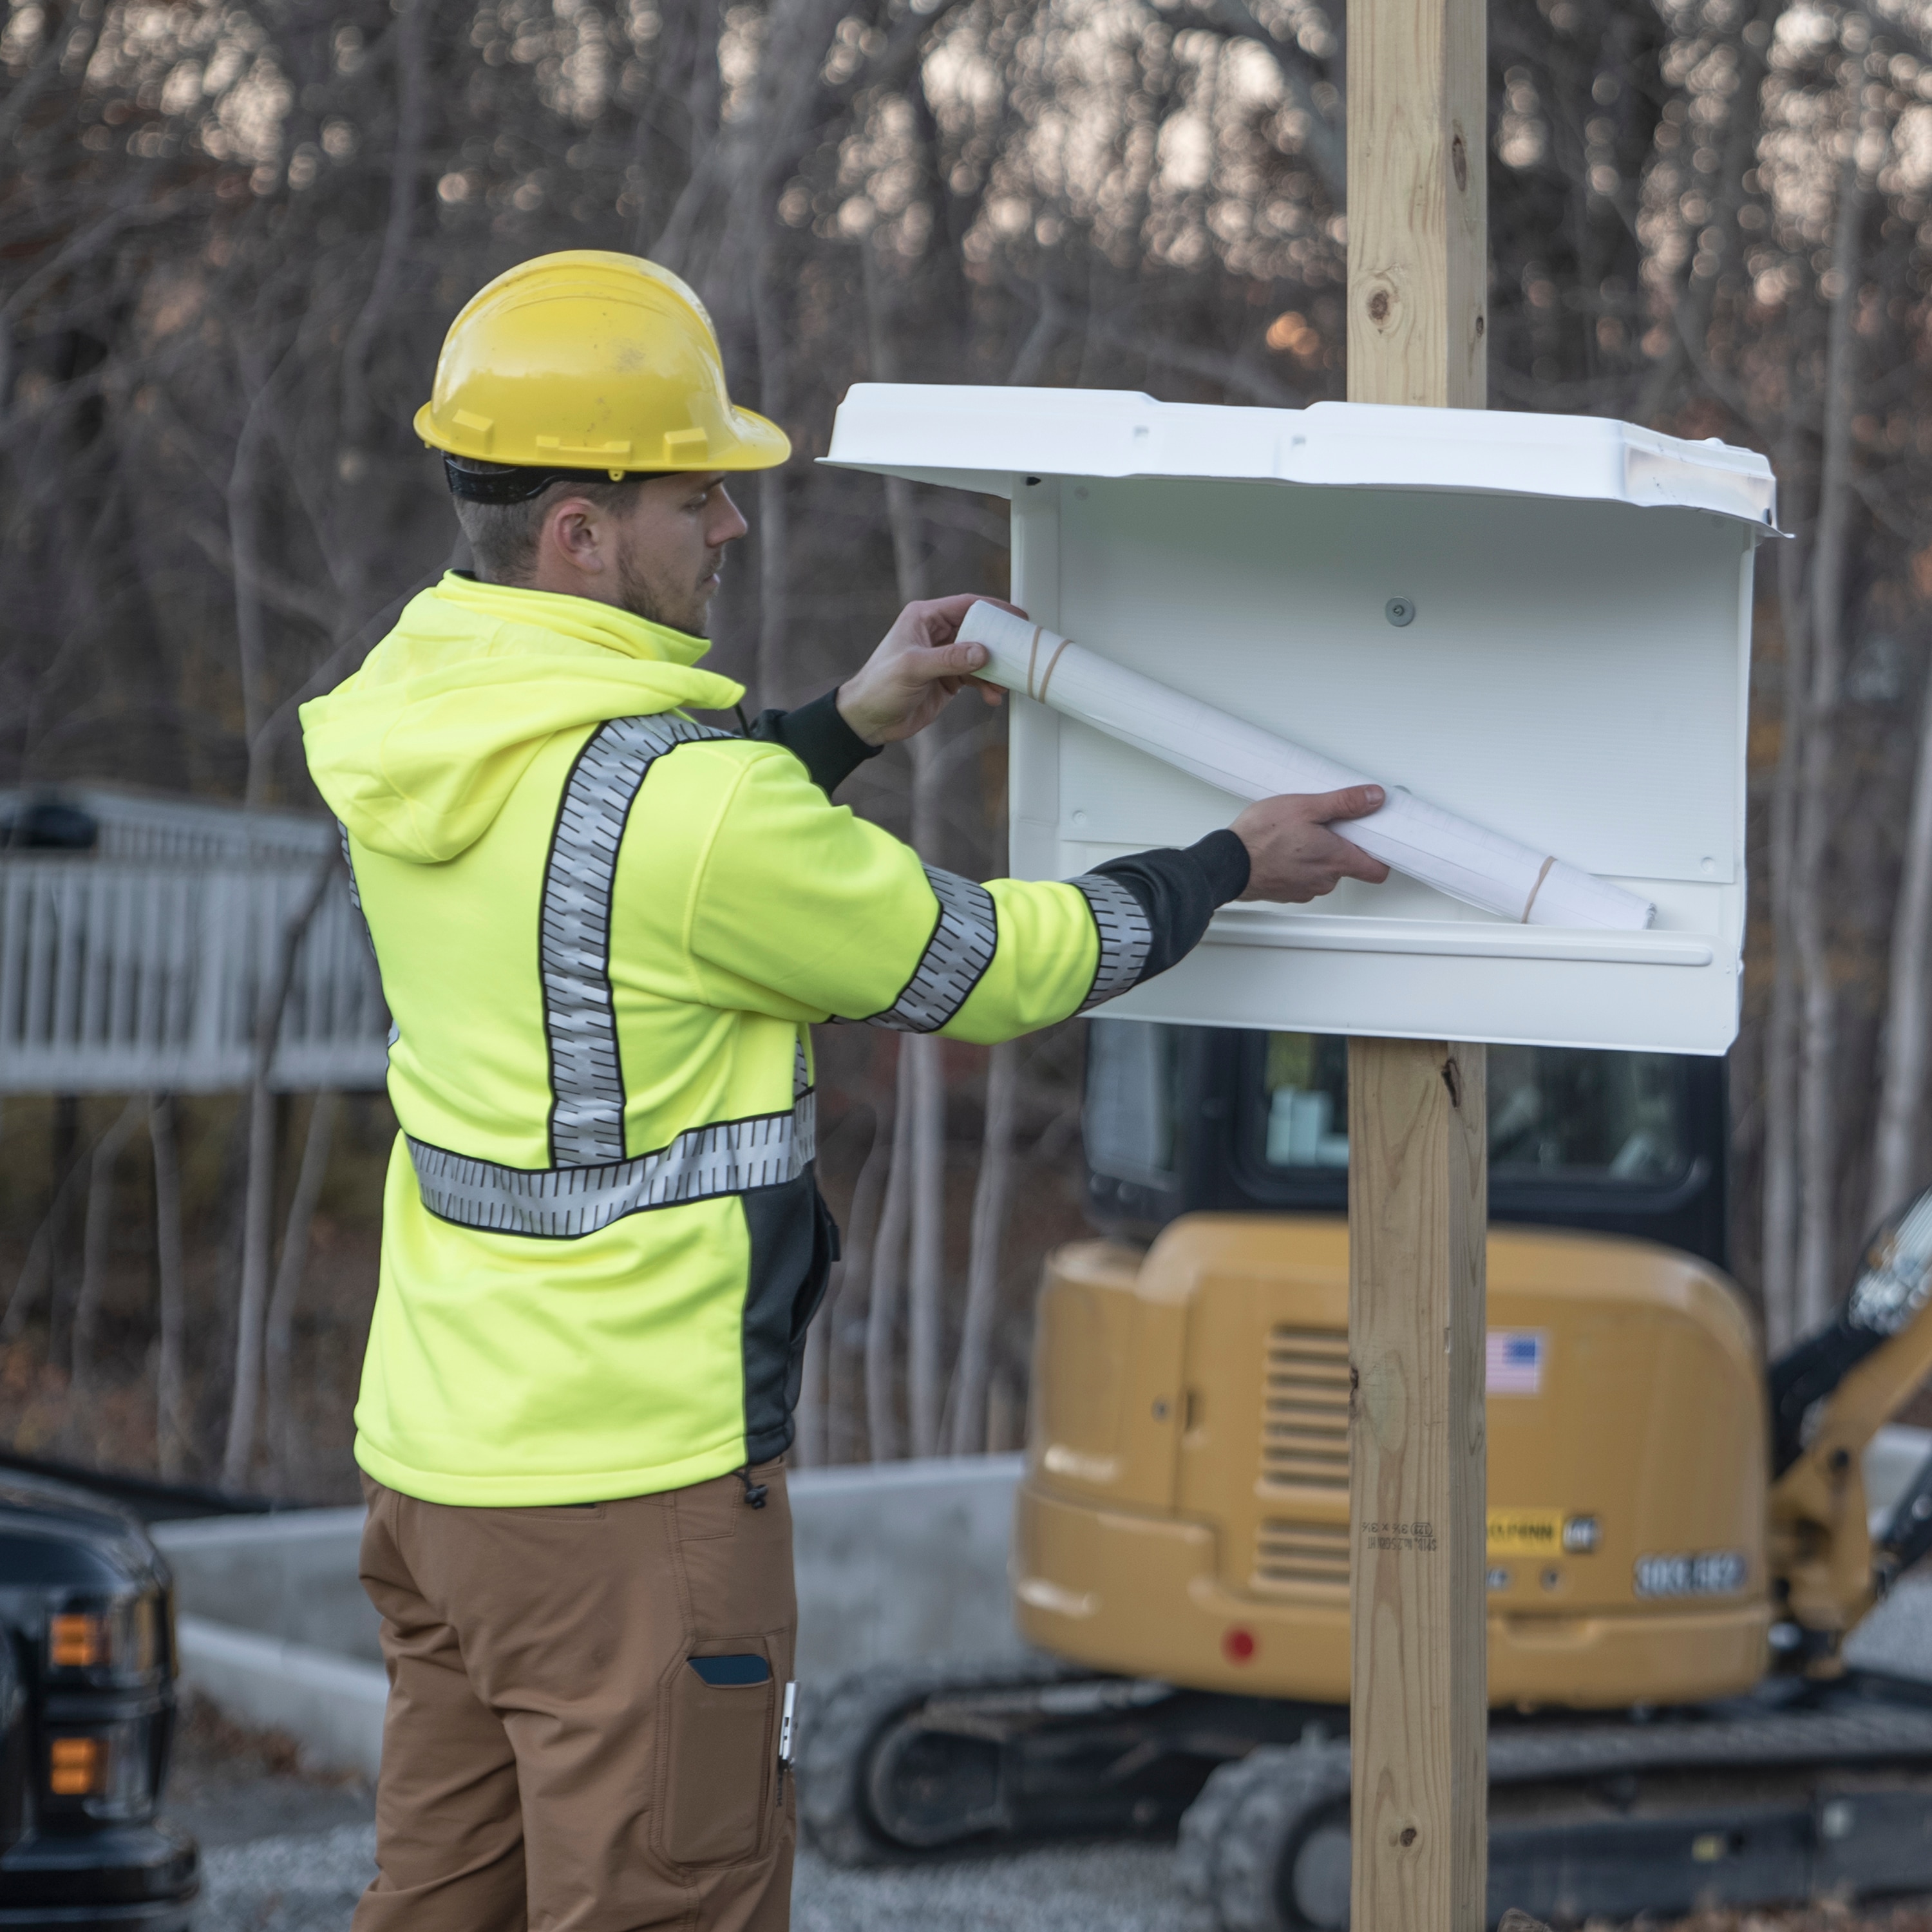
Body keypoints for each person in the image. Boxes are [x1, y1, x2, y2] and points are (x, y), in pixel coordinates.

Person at [299, 249, 1388, 1932]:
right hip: (632, 1497)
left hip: (438, 1474)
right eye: (698, 497)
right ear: (581, 532)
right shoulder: (703, 819)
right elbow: (988, 965)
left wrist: (852, 721)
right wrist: (1228, 863)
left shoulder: (418, 727)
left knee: (433, 1910)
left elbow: (616, 863)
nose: (732, 526)